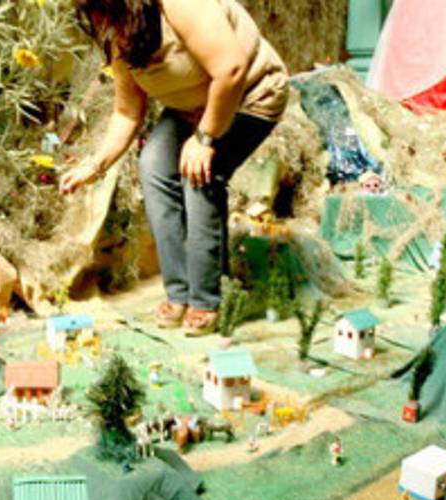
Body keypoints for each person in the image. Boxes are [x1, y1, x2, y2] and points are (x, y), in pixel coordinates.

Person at [62, 0, 288, 335]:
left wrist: (205, 138)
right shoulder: (117, 29)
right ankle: (179, 292)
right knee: (153, 164)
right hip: (194, 105)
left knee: (198, 175)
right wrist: (95, 166)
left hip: (251, 93)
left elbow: (232, 69)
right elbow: (127, 111)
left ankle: (206, 298)